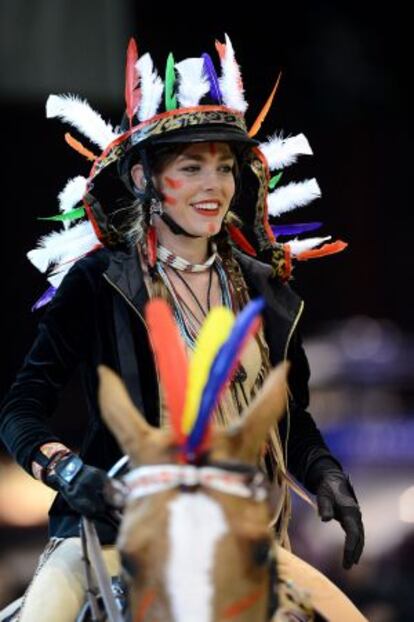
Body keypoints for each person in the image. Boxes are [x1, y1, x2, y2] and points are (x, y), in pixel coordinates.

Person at [0, 36, 365, 621]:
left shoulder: (267, 289)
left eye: (224, 168)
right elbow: (20, 409)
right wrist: (67, 471)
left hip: (242, 541)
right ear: (144, 178)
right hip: (117, 534)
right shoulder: (100, 281)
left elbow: (290, 420)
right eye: (191, 168)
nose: (214, 187)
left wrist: (325, 476)